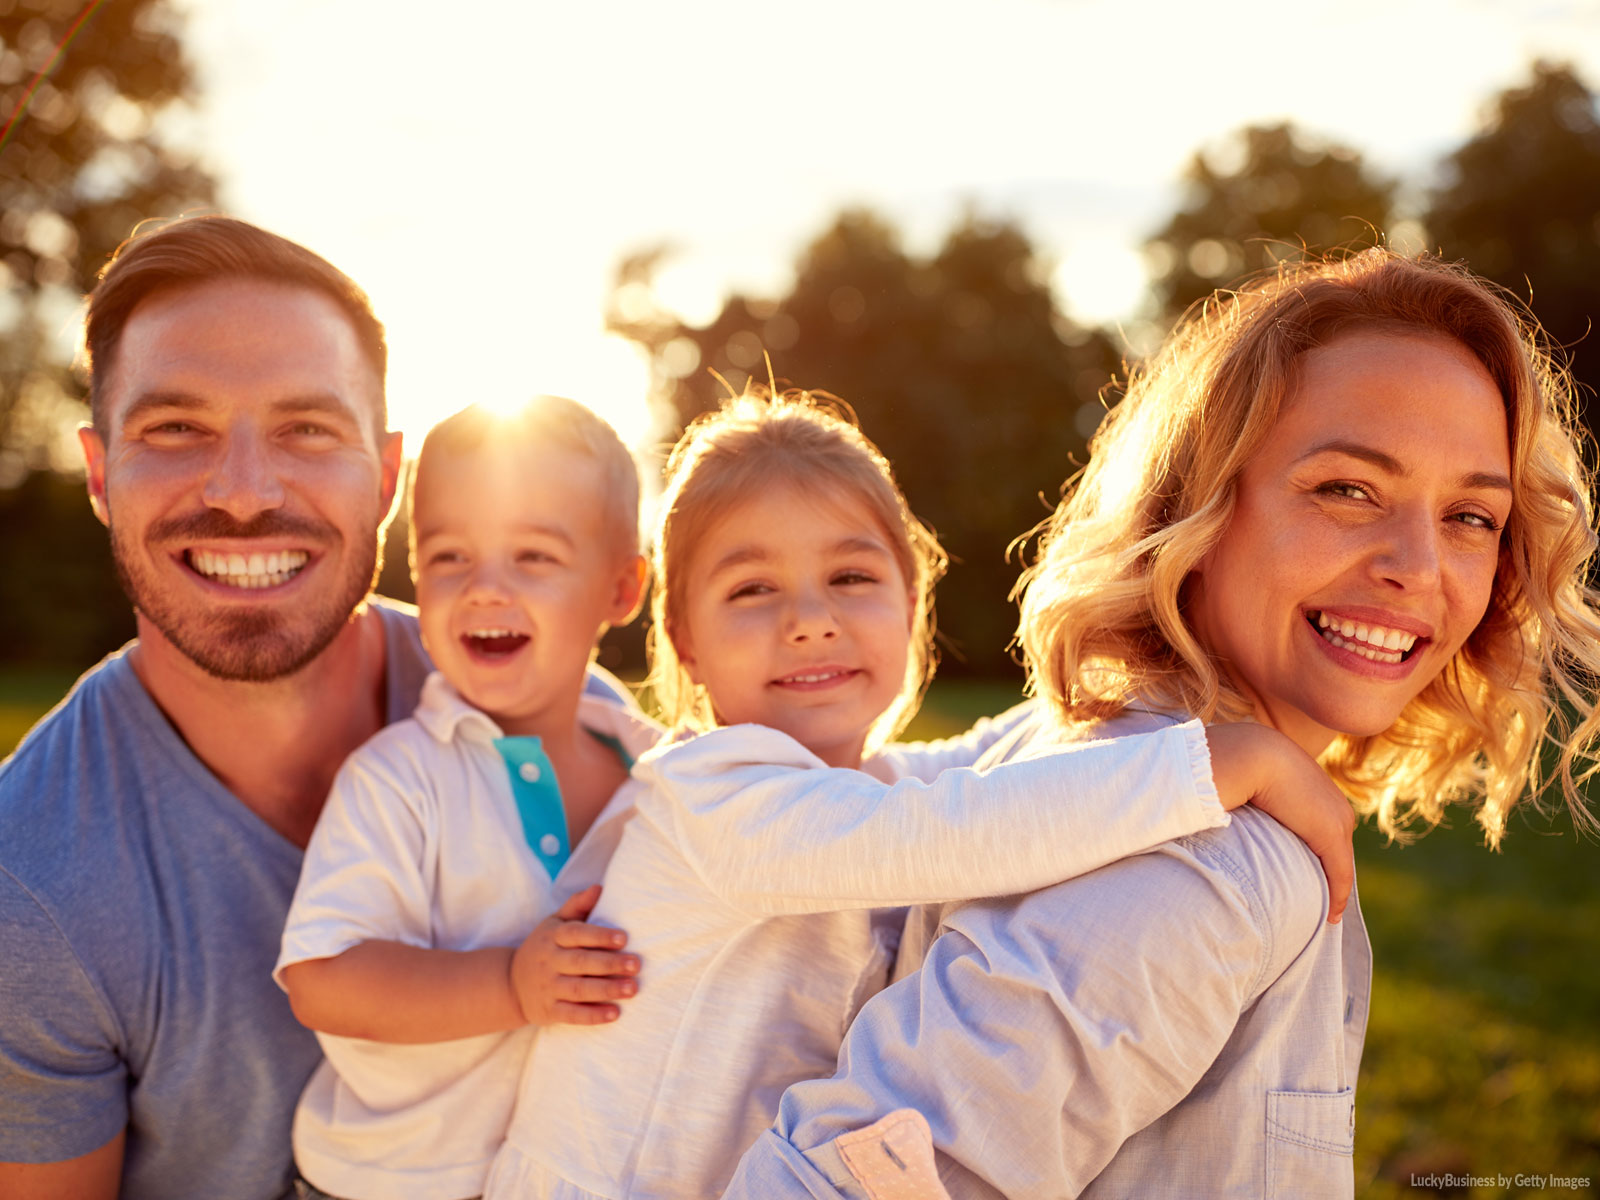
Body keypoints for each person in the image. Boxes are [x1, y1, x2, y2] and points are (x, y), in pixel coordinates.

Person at [723, 249, 1600, 1199]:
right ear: (1201, 507)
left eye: (1471, 514)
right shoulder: (1204, 867)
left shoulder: (1057, 753)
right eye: (1347, 489)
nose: (1418, 565)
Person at [484, 390, 1357, 1200]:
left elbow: (997, 755)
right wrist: (1210, 766)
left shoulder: (869, 786)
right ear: (684, 640)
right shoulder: (712, 792)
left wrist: (1151, 678)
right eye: (752, 589)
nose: (810, 618)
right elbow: (949, 829)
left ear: (912, 598)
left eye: (852, 578)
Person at [0, 217, 626, 1200]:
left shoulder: (556, 708)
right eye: (176, 429)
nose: (245, 494)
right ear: (98, 472)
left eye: (307, 429)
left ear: (384, 477)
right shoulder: (31, 885)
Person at [275, 399, 659, 1200]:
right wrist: (510, 986)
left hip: (569, 1171)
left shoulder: (658, 767)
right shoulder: (402, 778)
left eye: (533, 556)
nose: (486, 588)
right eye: (450, 557)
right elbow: (322, 976)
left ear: (621, 588)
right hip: (395, 1179)